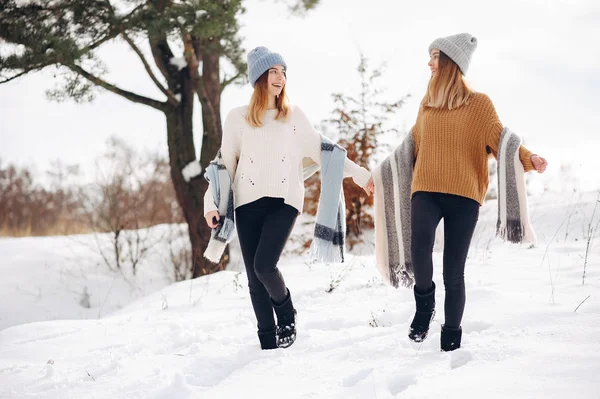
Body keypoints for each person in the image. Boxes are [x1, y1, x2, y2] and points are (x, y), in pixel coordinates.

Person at [367, 33, 548, 352]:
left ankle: (451, 334)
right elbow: (410, 146)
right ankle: (424, 305)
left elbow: (503, 140)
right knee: (419, 247)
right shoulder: (428, 104)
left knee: (454, 269)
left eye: (434, 56)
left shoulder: (480, 105)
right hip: (426, 189)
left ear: (450, 62)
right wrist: (379, 174)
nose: (429, 62)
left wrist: (528, 158)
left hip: (464, 197)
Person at [203, 46, 373, 350]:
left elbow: (326, 152)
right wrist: (211, 205)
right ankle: (267, 342)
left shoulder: (294, 117)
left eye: (283, 72)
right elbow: (223, 166)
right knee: (254, 279)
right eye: (273, 71)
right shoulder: (237, 118)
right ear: (259, 78)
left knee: (264, 265)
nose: (280, 78)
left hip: (284, 201)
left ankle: (287, 314)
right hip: (246, 202)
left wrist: (362, 175)